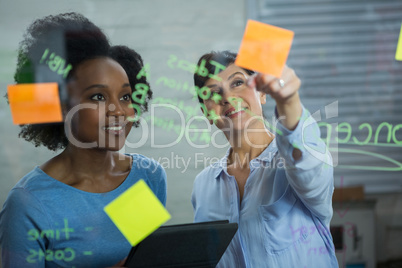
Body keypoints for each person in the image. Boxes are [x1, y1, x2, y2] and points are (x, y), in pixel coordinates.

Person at [0, 13, 166, 268]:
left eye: (125, 96)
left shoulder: (148, 177)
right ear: (62, 106)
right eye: (98, 97)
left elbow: (143, 259)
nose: (119, 111)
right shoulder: (29, 204)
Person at [191, 51, 338, 267]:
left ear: (262, 93)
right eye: (214, 93)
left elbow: (305, 160)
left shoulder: (292, 162)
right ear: (206, 112)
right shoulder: (203, 186)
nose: (228, 98)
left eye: (238, 83)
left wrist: (289, 101)